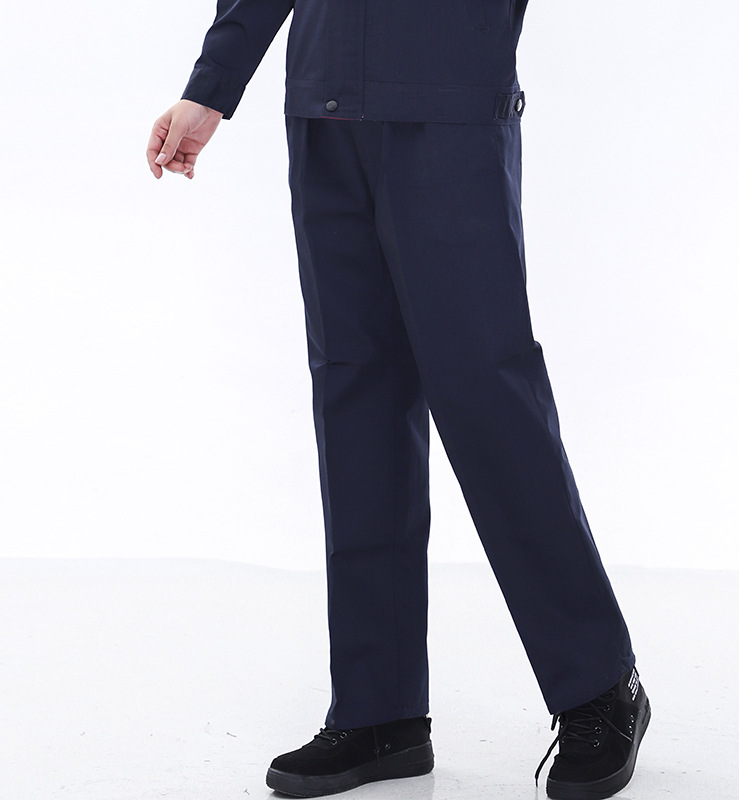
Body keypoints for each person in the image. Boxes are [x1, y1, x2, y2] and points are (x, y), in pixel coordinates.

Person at [146, 2, 651, 798]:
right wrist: (211, 86)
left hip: (447, 102)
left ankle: (599, 683)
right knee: (356, 399)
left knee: (488, 397)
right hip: (325, 104)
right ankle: (379, 711)